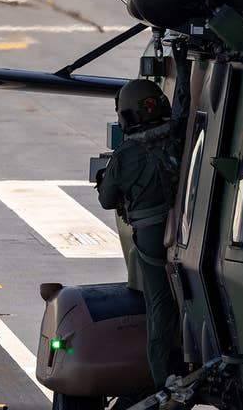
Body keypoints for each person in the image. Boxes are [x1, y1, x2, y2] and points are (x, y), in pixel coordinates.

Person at [97, 78, 182, 385]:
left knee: (159, 307)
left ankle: (166, 383)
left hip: (151, 237)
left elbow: (107, 200)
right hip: (186, 228)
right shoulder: (180, 136)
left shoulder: (125, 155)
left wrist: (106, 177)